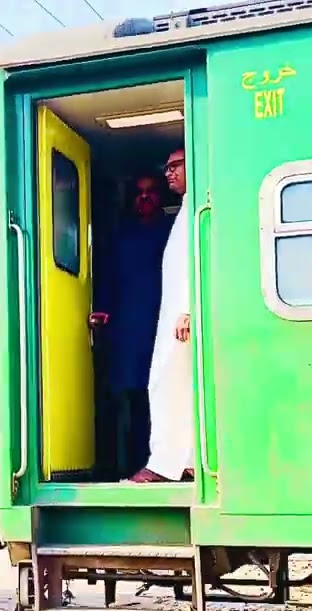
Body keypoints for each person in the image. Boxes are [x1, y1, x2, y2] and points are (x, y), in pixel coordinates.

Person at [91, 174, 173, 478]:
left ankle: (160, 464)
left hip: (162, 324)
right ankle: (126, 466)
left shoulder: (171, 230)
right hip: (127, 328)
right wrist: (101, 310)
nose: (145, 198)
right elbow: (108, 277)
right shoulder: (120, 236)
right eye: (139, 193)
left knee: (161, 394)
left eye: (151, 192)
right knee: (126, 397)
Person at [130, 148, 195, 483]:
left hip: (183, 317)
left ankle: (165, 464)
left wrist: (188, 309)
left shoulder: (198, 207)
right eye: (166, 167)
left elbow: (198, 260)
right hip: (176, 315)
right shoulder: (187, 207)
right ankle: (185, 460)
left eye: (175, 166)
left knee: (167, 383)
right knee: (177, 385)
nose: (169, 173)